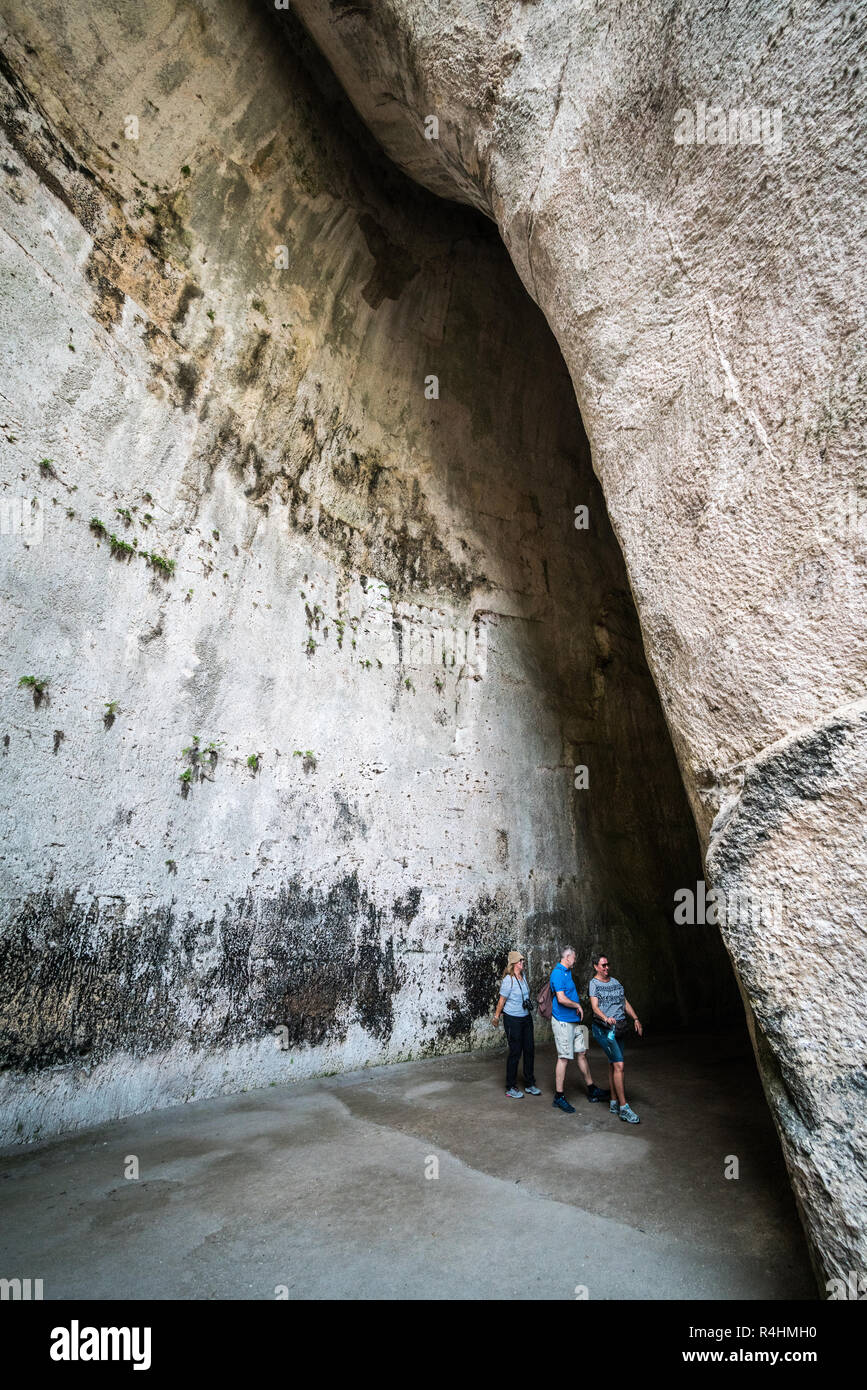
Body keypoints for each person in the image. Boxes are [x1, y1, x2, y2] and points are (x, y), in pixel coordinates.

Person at [549, 946, 610, 1112]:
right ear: (567, 957)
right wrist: (577, 1005)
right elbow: (561, 999)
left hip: (574, 1021)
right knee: (564, 1058)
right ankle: (559, 1097)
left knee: (582, 1053)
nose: (575, 960)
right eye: (574, 957)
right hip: (563, 1022)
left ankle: (592, 1090)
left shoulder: (567, 972)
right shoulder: (557, 973)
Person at [588, 953, 643, 1123]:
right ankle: (623, 1107)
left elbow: (624, 1002)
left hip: (618, 1028)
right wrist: (605, 1018)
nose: (606, 968)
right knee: (619, 1064)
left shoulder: (616, 982)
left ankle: (613, 1101)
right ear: (596, 967)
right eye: (603, 965)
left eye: (607, 965)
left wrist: (635, 1018)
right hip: (604, 1029)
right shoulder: (594, 983)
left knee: (613, 1063)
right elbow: (595, 1007)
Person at [493, 950, 541, 1099]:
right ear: (514, 963)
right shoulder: (509, 980)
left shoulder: (523, 976)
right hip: (512, 1019)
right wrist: (496, 1016)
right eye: (520, 961)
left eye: (523, 961)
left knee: (529, 1050)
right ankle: (510, 1086)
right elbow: (502, 1000)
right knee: (515, 1051)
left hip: (526, 1018)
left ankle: (529, 1083)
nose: (522, 963)